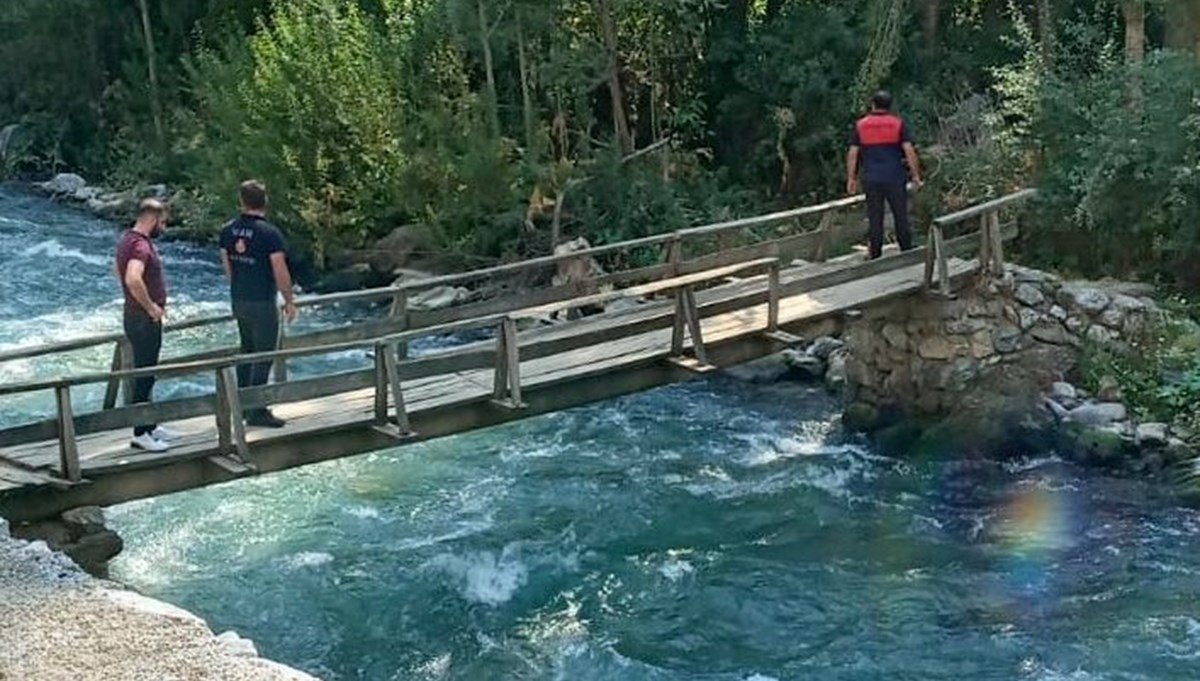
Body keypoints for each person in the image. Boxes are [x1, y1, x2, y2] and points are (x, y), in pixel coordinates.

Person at [219, 180, 297, 428]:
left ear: (241, 201)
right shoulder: (269, 233)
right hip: (262, 300)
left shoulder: (227, 230)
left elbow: (227, 267)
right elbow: (279, 269)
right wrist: (289, 299)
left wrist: (239, 287)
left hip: (239, 298)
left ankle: (241, 404)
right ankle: (256, 409)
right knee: (264, 355)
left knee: (247, 350)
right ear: (265, 201)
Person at [115, 198, 178, 452]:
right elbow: (132, 277)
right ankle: (140, 433)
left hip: (133, 315)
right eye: (161, 221)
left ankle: (150, 425)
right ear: (152, 218)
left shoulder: (126, 239)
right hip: (143, 319)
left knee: (147, 372)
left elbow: (116, 271)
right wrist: (151, 306)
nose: (162, 226)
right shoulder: (141, 245)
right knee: (145, 373)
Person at [845, 90, 923, 260]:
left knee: (875, 216)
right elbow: (909, 151)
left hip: (871, 178)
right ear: (889, 106)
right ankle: (906, 249)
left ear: (873, 104)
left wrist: (851, 178)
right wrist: (915, 175)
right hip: (895, 176)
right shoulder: (897, 124)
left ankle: (875, 253)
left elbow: (853, 153)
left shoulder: (861, 125)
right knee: (900, 213)